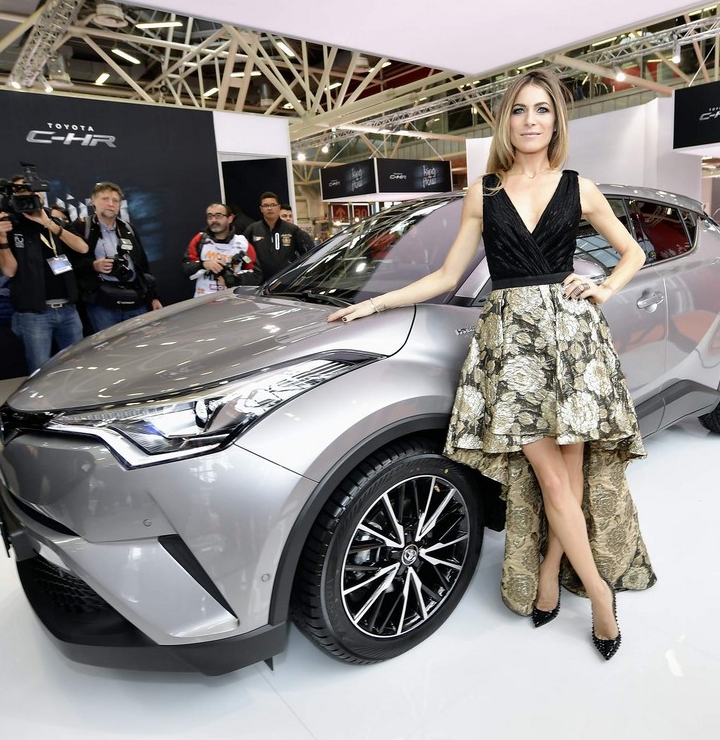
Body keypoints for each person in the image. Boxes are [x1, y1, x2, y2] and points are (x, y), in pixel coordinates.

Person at [327, 70, 654, 661]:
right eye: (519, 110)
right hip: (512, 347)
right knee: (552, 480)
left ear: (556, 121)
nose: (530, 120)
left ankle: (552, 574)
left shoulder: (579, 187)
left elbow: (633, 251)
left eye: (542, 110)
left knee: (570, 480)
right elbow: (447, 275)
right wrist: (373, 303)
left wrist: (604, 288)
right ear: (505, 121)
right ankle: (601, 596)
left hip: (572, 342)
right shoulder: (484, 192)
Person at [0, 176, 89, 373]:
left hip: (69, 310)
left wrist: (49, 223)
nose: (31, 193)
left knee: (77, 368)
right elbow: (9, 270)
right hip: (34, 315)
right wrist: (1, 237)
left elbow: (83, 248)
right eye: (22, 190)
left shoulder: (55, 220)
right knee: (41, 372)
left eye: (34, 188)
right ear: (13, 195)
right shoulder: (9, 225)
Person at [73, 182, 162, 332]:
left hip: (134, 298)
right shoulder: (82, 227)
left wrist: (153, 296)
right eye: (105, 199)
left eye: (115, 200)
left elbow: (143, 265)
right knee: (109, 344)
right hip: (102, 304)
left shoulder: (127, 228)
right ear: (93, 202)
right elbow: (71, 263)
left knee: (141, 342)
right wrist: (93, 265)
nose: (110, 204)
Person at [182, 202, 259, 297]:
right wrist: (203, 264)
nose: (213, 220)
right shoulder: (200, 239)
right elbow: (186, 267)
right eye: (210, 216)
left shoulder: (242, 243)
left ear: (230, 218)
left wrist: (235, 279)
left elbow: (256, 275)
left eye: (218, 216)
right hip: (204, 298)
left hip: (233, 299)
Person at [246, 191, 316, 279]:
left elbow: (309, 254)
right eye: (266, 205)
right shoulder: (252, 230)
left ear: (279, 207)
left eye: (273, 205)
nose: (269, 208)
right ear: (261, 209)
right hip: (260, 281)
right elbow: (244, 254)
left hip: (287, 280)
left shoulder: (292, 230)